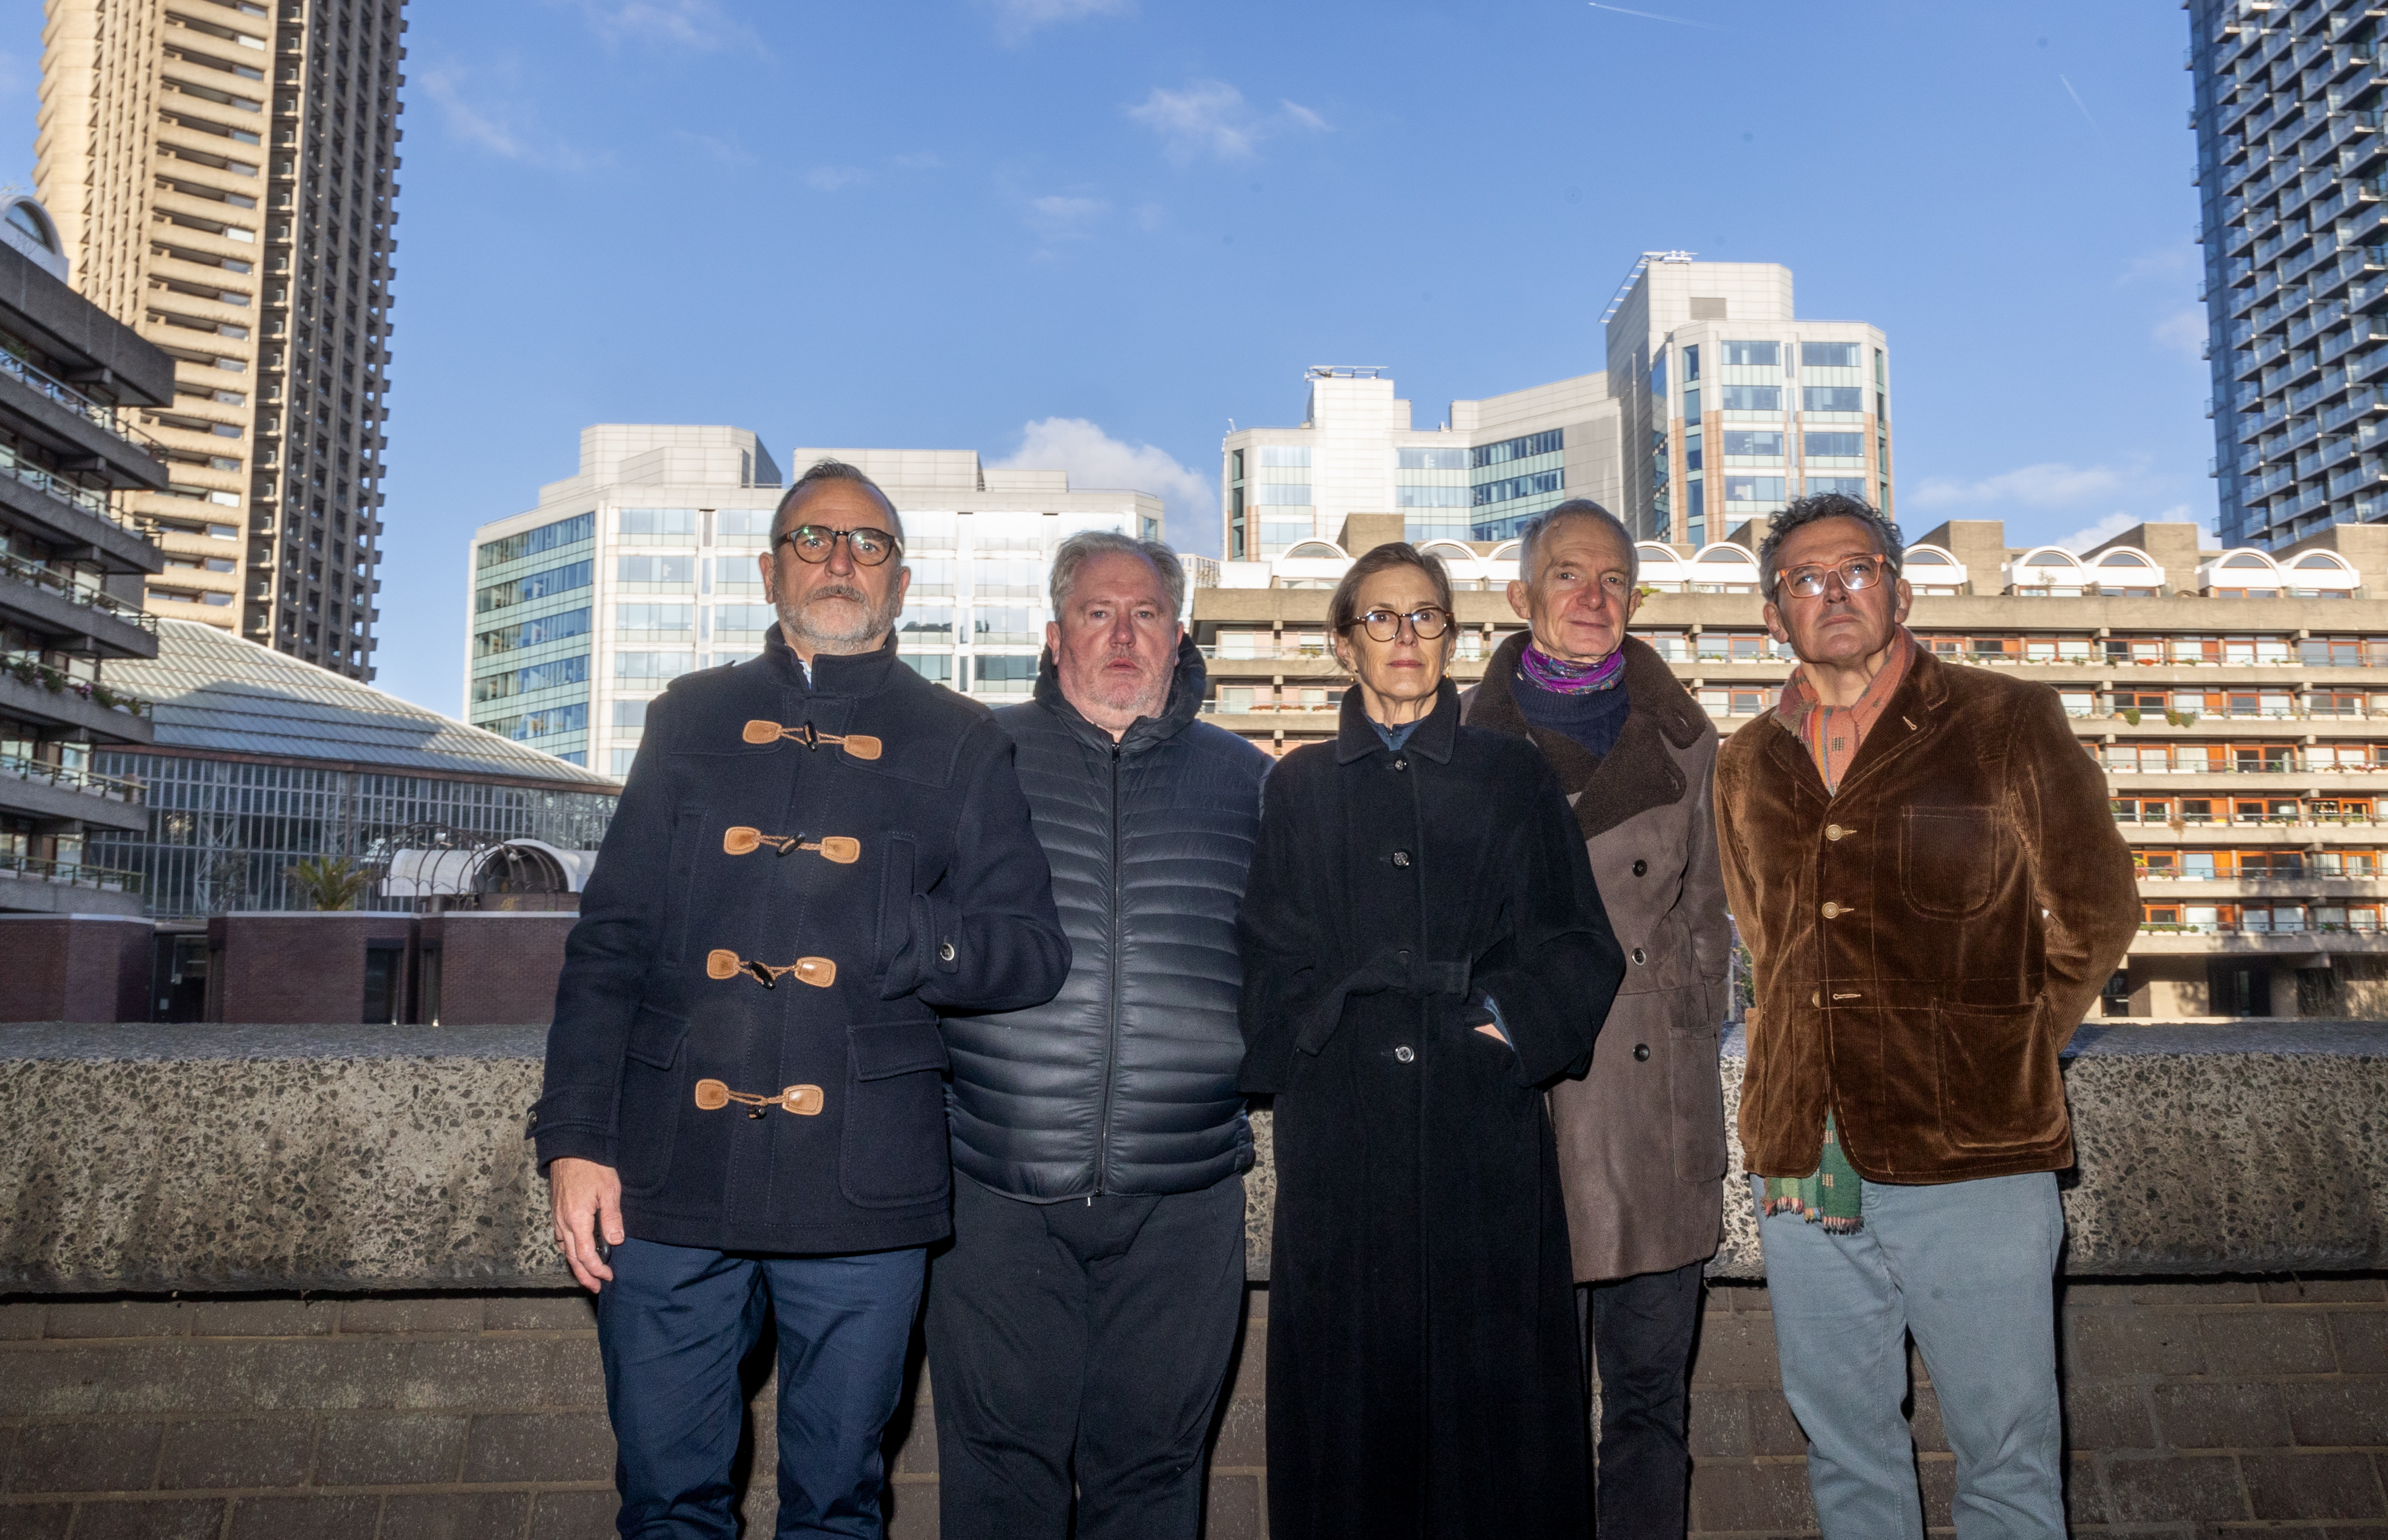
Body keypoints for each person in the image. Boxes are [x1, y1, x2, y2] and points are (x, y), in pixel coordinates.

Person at [533, 459, 1070, 1538]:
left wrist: (906, 933)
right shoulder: (688, 716)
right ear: (768, 570)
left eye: (869, 543)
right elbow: (611, 942)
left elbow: (1030, 950)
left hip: (862, 1182)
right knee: (666, 1503)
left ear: (901, 583)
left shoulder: (964, 737)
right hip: (669, 1174)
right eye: (813, 539)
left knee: (836, 1508)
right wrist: (575, 1138)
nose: (840, 560)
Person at [1711, 494, 2139, 1540]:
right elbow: (1766, 950)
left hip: (1976, 1151)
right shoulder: (1744, 760)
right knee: (1844, 1449)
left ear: (1898, 591)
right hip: (1804, 1158)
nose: (1833, 592)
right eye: (1804, 580)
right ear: (1773, 615)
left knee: (2006, 1451)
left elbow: (2097, 912)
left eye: (1856, 569)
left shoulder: (2005, 719)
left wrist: (1999, 1053)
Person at [1238, 540, 1624, 1540]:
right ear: (1342, 643)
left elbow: (1579, 945)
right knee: (1346, 1420)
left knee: (1490, 1428)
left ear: (1451, 638)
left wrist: (1502, 1024)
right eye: (1380, 616)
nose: (1405, 636)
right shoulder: (1297, 784)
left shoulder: (1512, 774)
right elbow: (1264, 957)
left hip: (1479, 1132)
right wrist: (1318, 1036)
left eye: (1426, 616)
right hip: (1342, 1142)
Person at [929, 530, 1271, 1540]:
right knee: (999, 1481)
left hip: (1183, 1196)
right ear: (1054, 635)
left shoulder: (1250, 782)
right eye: (1097, 613)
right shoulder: (973, 760)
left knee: (1156, 1479)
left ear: (1178, 636)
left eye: (1146, 614)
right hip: (994, 1191)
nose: (1123, 636)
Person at [1463, 500, 1727, 1538]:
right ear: (1519, 596)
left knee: (1650, 1404)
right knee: (1524, 1409)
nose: (1593, 596)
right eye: (1568, 575)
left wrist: (1686, 1027)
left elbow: (1705, 916)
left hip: (1654, 1114)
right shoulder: (1458, 740)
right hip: (1520, 1105)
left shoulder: (1686, 738)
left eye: (1614, 579)